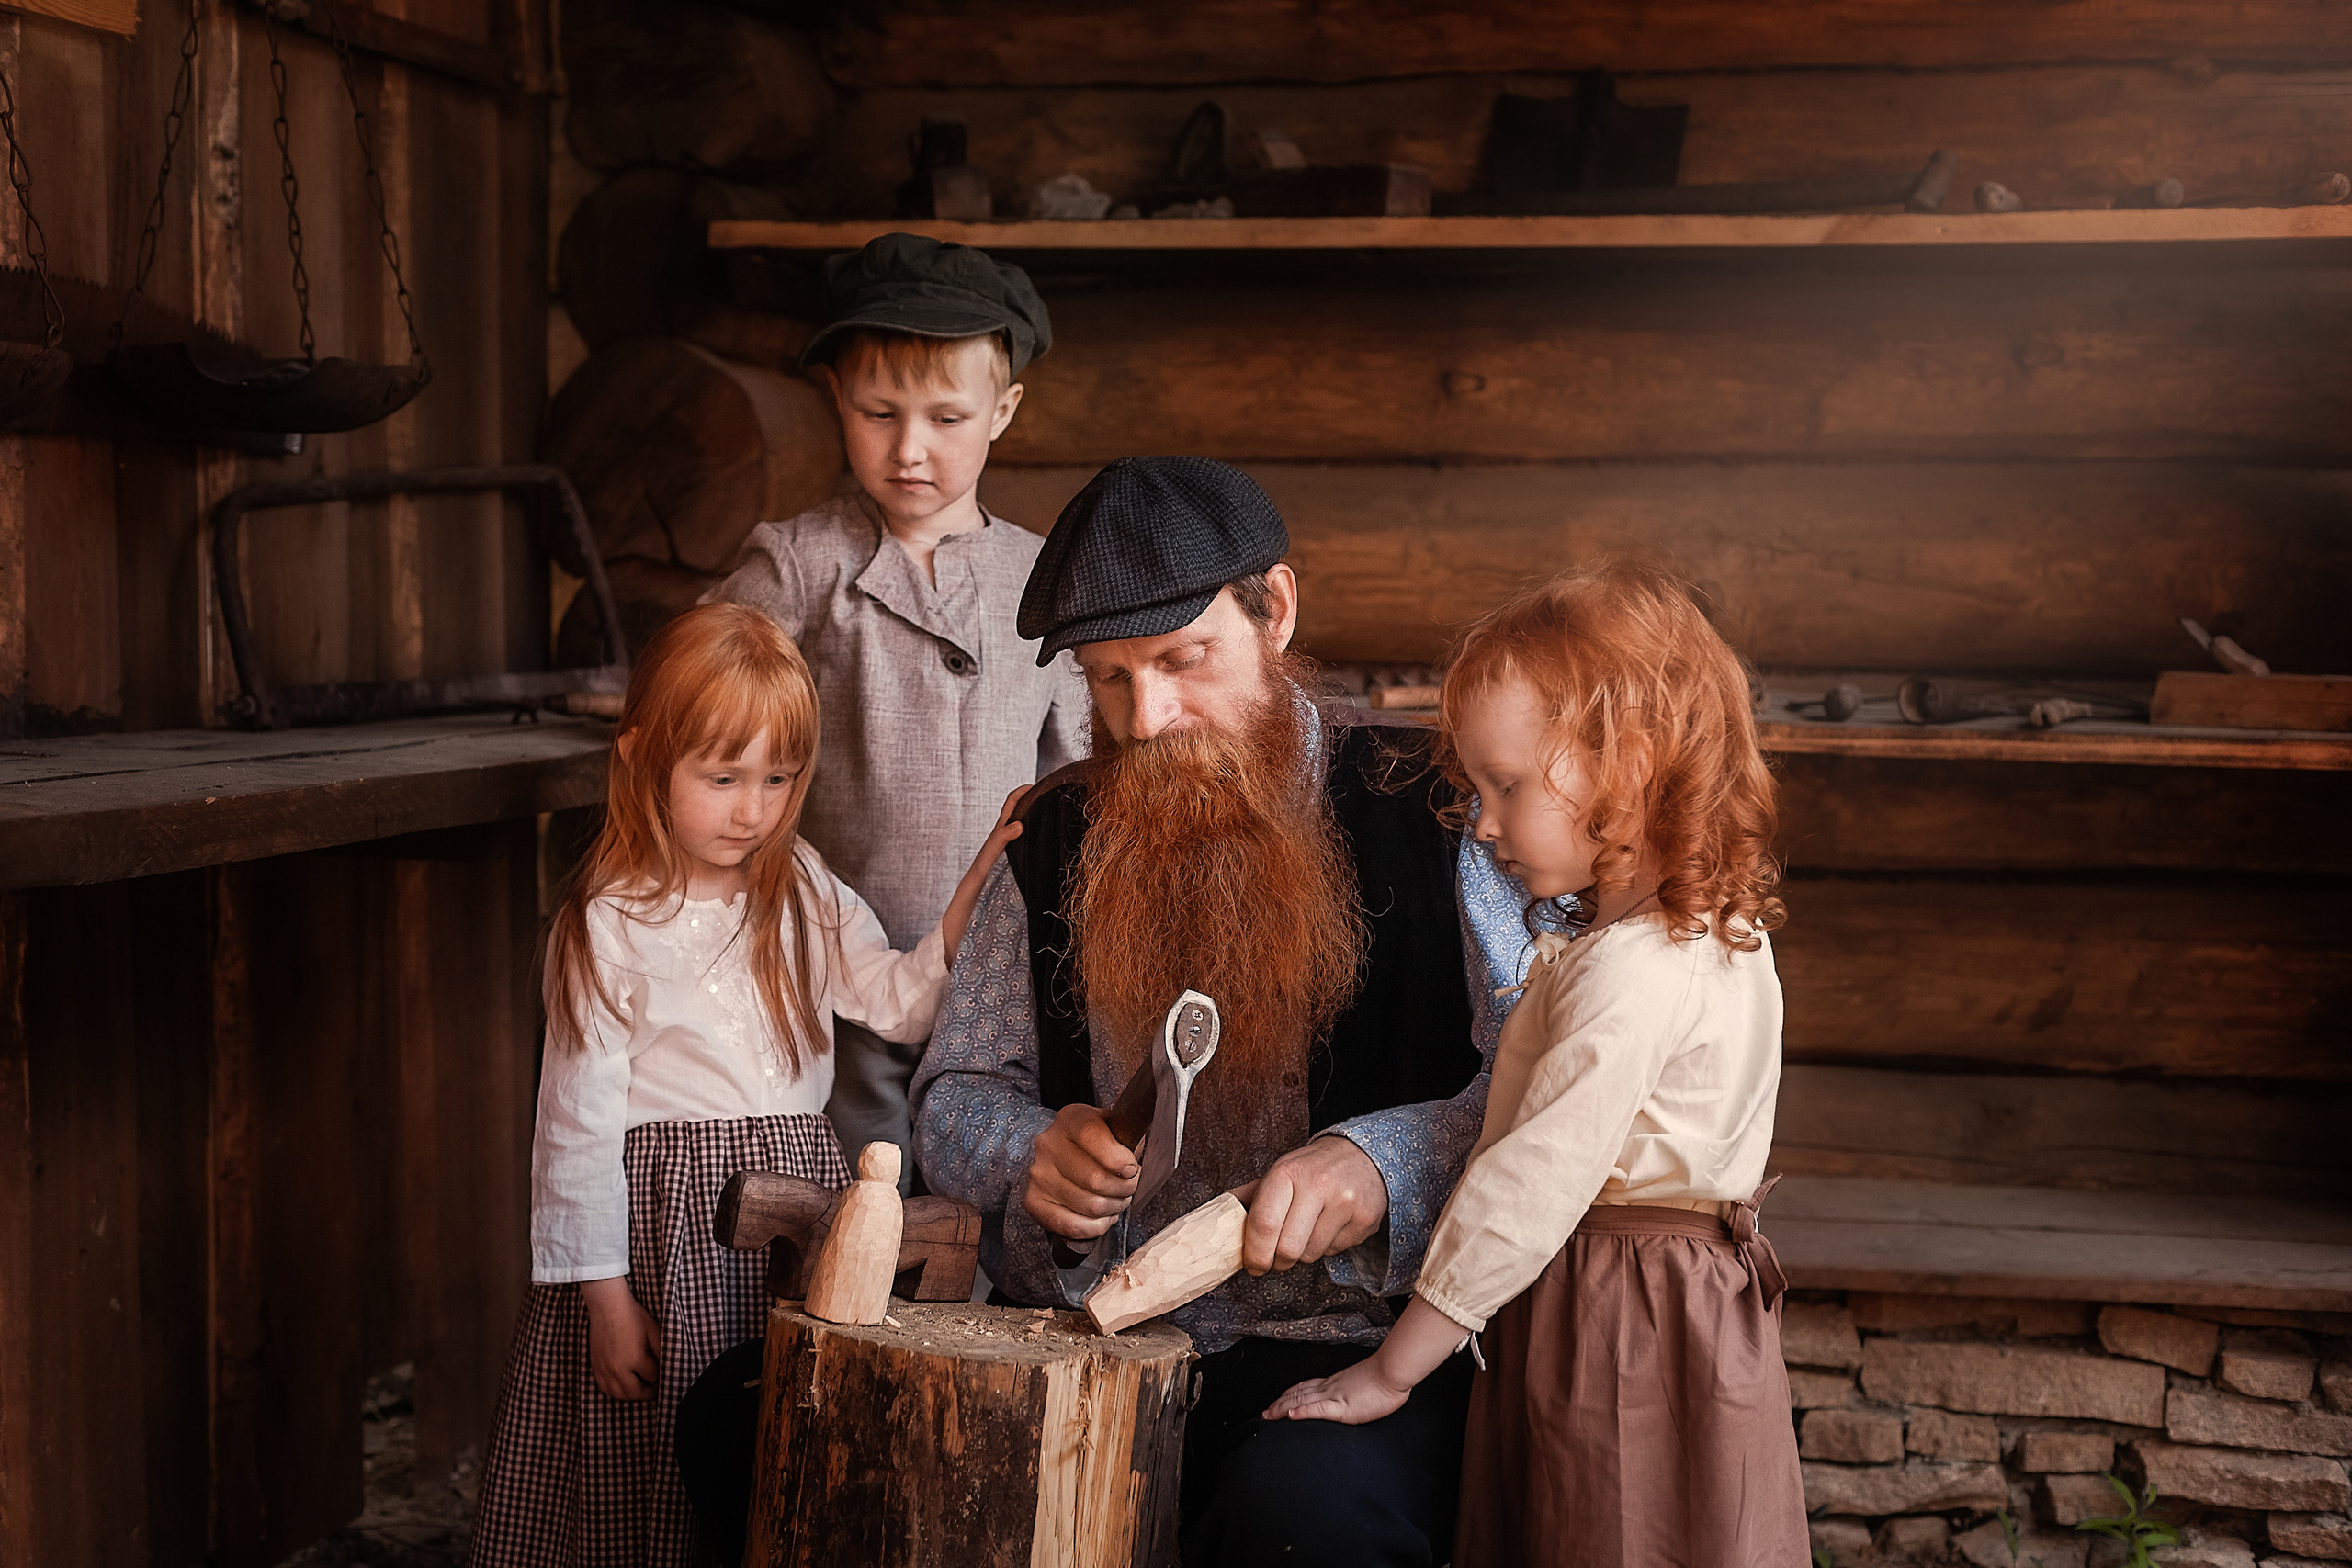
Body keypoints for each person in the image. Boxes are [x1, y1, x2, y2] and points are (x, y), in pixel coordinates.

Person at [910, 457, 1533, 1567]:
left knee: (1303, 1521)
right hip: (1085, 1339)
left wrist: (1384, 1162)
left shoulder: (1436, 808)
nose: (1144, 719)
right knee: (754, 1413)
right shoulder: (1051, 833)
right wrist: (1025, 1152)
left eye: (1181, 660)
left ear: (1275, 609)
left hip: (1349, 1349)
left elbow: (1537, 1079)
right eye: (1107, 680)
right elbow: (955, 1089)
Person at [1263, 564, 1809, 1567]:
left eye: (1507, 786)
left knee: (1599, 1528)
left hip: (1617, 1320)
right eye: (1476, 790)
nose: (1481, 823)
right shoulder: (1717, 938)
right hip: (1678, 1308)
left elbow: (1525, 1186)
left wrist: (1389, 1373)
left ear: (1631, 767)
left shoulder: (1632, 972)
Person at [467, 602, 1023, 1568]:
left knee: (783, 1424)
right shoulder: (609, 921)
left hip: (797, 1199)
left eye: (776, 778)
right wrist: (603, 1295)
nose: (753, 809)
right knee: (657, 1431)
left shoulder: (798, 882)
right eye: (722, 778)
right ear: (644, 759)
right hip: (664, 1218)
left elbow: (893, 1004)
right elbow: (575, 1126)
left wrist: (963, 905)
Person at [707, 231, 1088, 1190]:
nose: (909, 448)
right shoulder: (799, 564)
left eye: (946, 417)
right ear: (836, 398)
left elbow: (1074, 768)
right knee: (851, 1198)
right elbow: (701, 708)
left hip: (999, 975)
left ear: (1002, 413)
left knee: (987, 1197)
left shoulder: (1040, 578)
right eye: (878, 413)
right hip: (835, 969)